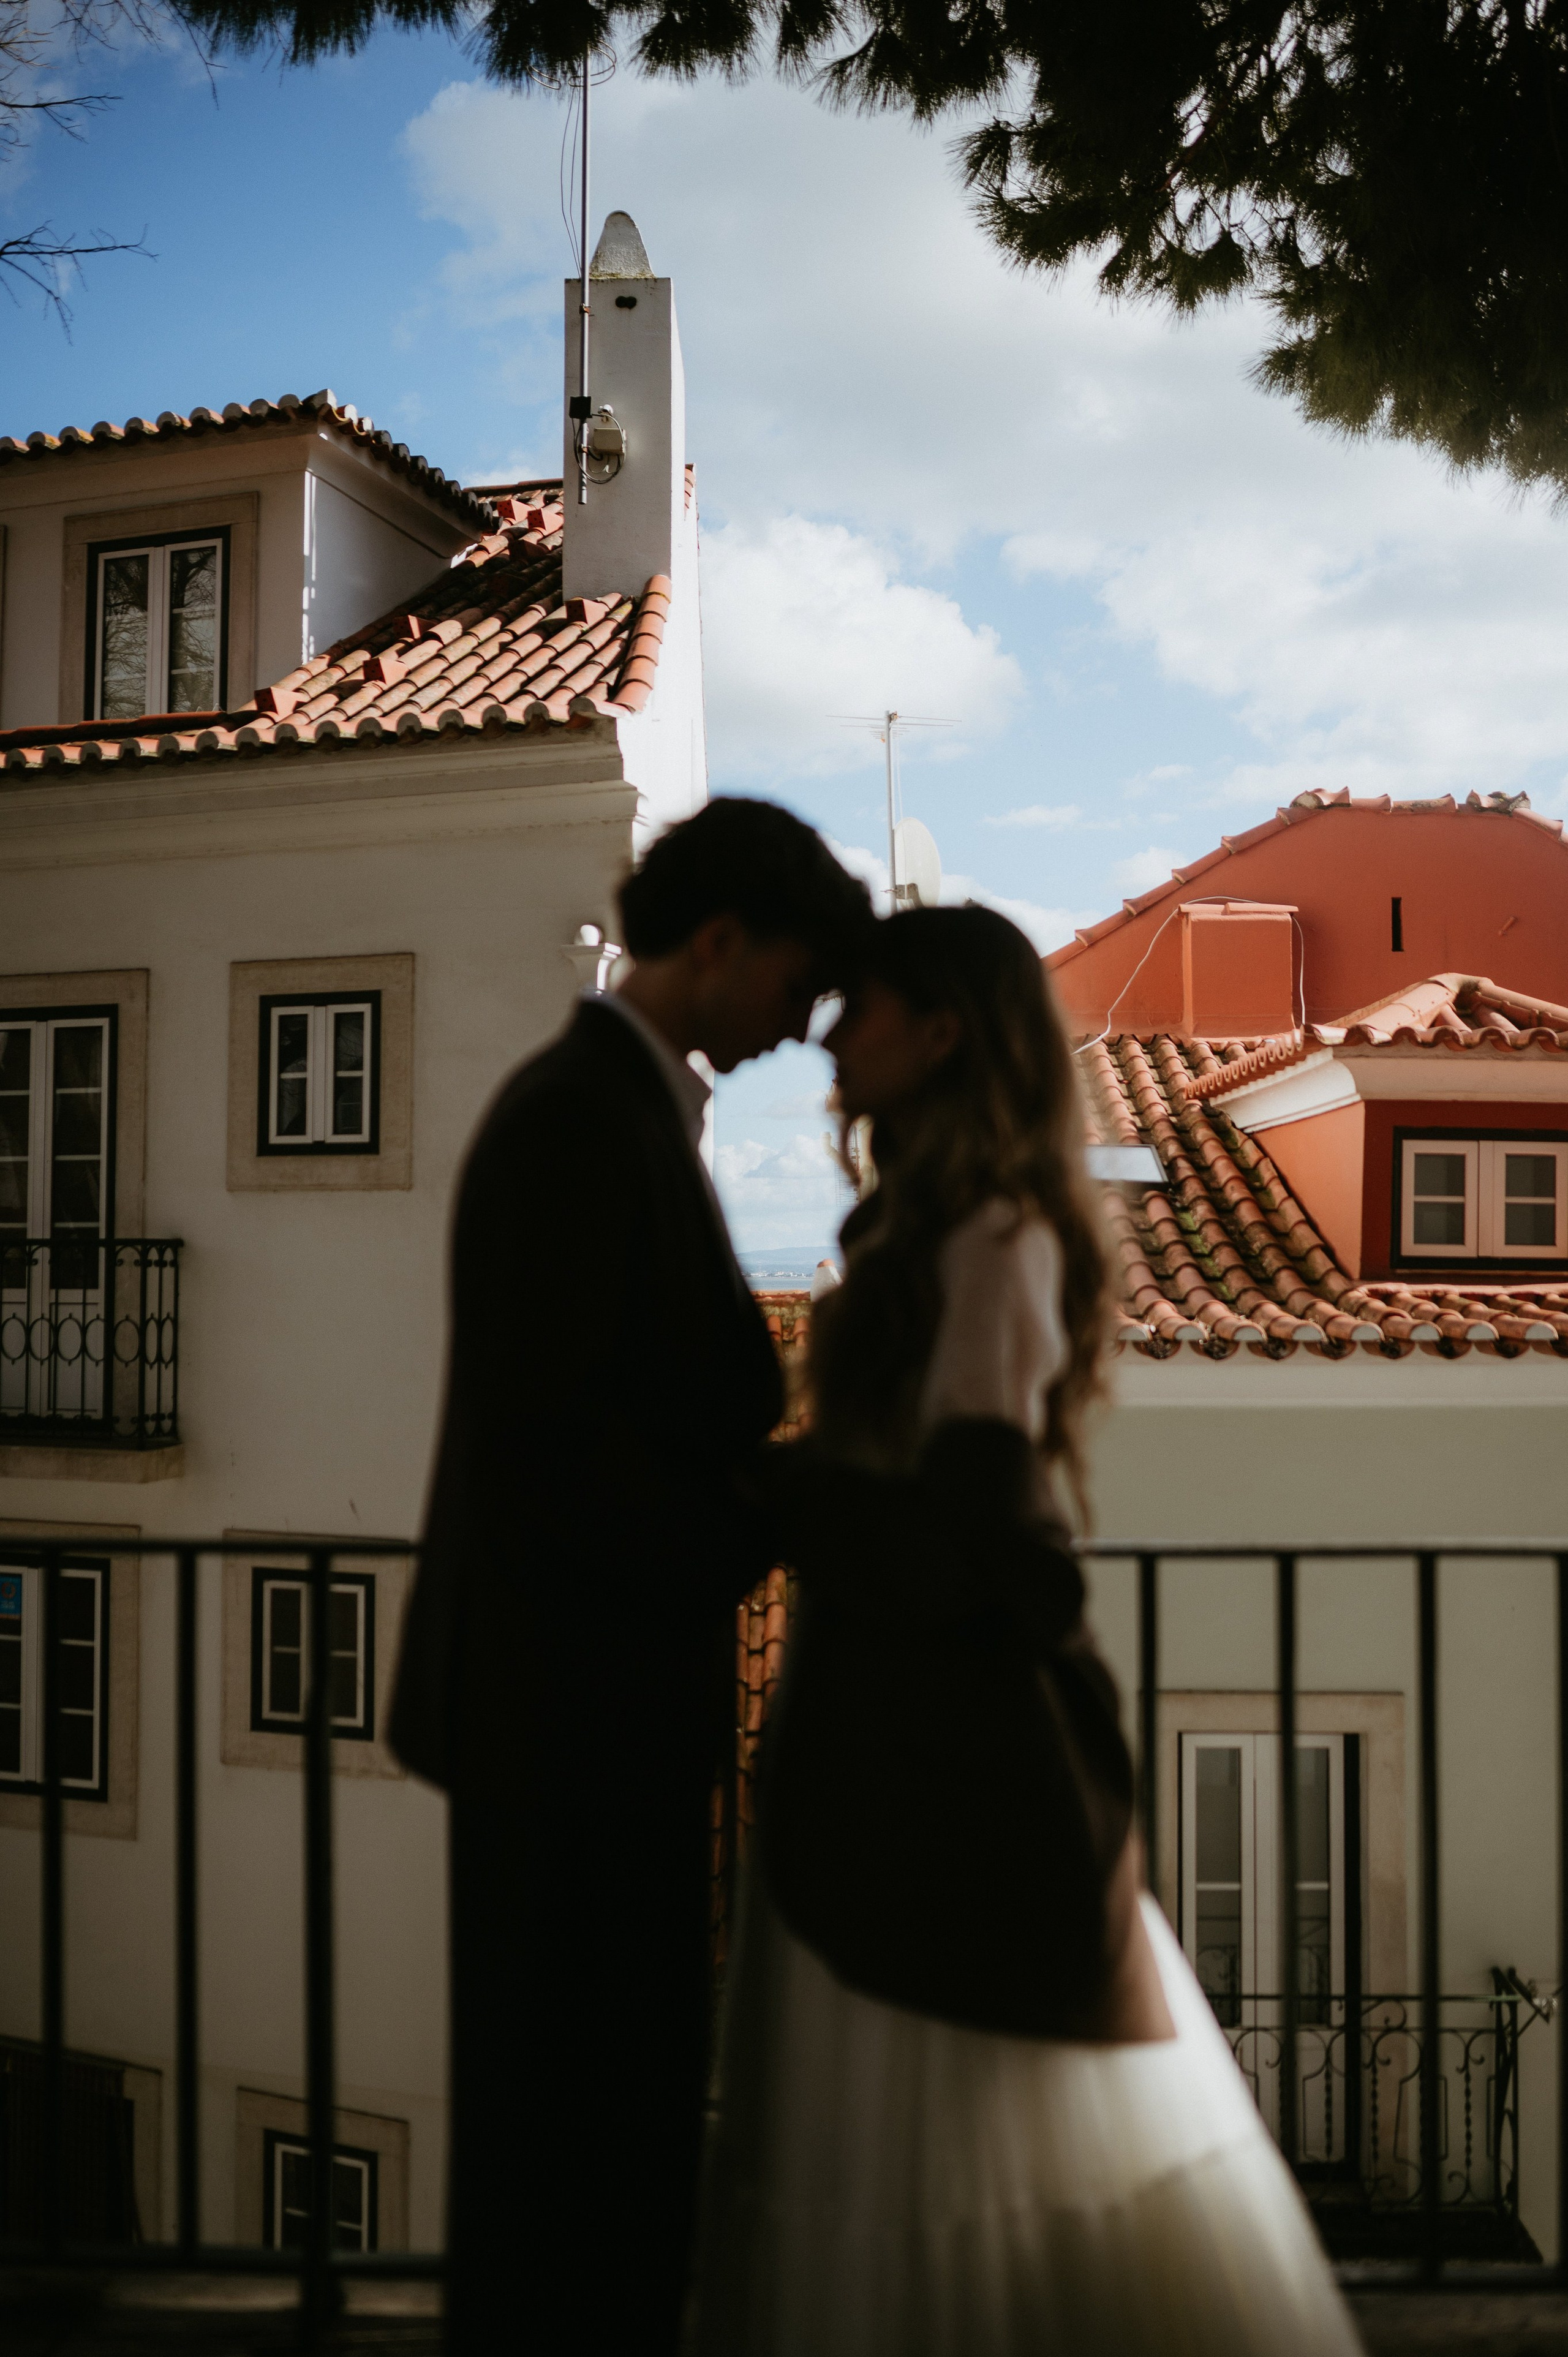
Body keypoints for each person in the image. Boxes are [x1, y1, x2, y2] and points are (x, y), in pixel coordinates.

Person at [687, 905, 1363, 2357]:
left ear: (940, 1032)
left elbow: (965, 1510)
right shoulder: (927, 1225)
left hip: (938, 1721)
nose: (828, 1035)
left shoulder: (989, 1235)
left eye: (860, 1007)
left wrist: (771, 1488)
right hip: (876, 1689)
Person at [389, 799, 872, 2356]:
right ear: (717, 942)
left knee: (591, 2125)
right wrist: (787, 1499)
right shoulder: (579, 1121)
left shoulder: (617, 1108)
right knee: (574, 2139)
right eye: (795, 981)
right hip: (564, 1718)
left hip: (576, 1708)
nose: (803, 1023)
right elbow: (559, 1464)